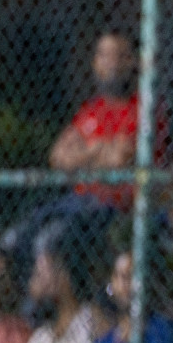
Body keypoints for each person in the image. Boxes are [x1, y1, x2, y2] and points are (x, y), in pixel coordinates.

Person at [48, 30, 147, 211]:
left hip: (116, 207)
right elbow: (57, 157)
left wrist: (83, 152)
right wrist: (98, 150)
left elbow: (118, 160)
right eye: (103, 55)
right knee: (22, 229)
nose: (110, 63)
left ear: (133, 61)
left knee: (53, 231)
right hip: (79, 200)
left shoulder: (143, 107)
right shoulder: (92, 108)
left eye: (118, 55)